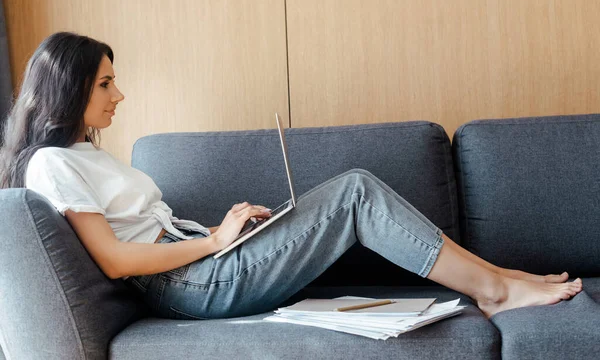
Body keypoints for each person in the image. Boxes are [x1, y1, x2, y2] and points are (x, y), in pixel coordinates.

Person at [0, 32, 582, 320]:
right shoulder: (52, 164)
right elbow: (115, 259)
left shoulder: (85, 155)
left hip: (200, 261)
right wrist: (214, 242)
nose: (118, 94)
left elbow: (140, 232)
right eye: (104, 84)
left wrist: (227, 232)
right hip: (190, 283)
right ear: (68, 88)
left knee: (351, 190)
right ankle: (496, 291)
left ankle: (497, 275)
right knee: (355, 192)